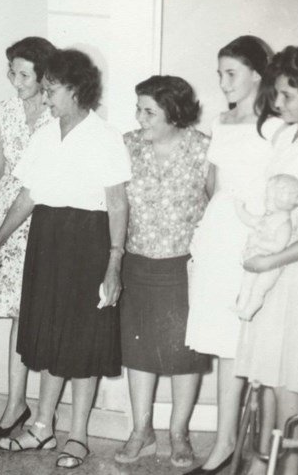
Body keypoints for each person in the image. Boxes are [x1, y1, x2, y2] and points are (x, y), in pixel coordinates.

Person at [0, 49, 129, 469]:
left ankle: (78, 435)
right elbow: (28, 194)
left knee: (83, 340)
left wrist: (114, 263)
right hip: (47, 238)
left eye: (51, 90)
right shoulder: (46, 134)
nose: (45, 97)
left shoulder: (105, 136)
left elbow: (117, 204)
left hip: (90, 241)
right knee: (50, 336)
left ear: (76, 89)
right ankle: (43, 426)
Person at [184, 35, 281, 475]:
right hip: (219, 238)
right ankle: (223, 445)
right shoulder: (222, 122)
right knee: (225, 346)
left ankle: (256, 451)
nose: (223, 82)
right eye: (220, 73)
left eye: (231, 74)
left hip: (254, 241)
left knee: (251, 346)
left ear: (257, 75)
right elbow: (212, 184)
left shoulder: (277, 126)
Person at [114, 75, 211, 468]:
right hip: (138, 261)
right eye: (138, 109)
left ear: (173, 112)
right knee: (138, 351)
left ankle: (179, 434)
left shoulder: (202, 149)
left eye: (148, 111)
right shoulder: (128, 145)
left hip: (185, 265)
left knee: (184, 354)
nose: (139, 118)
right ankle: (142, 431)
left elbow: (216, 204)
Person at [236, 45, 298, 475]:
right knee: (266, 377)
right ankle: (266, 465)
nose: (278, 103)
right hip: (273, 265)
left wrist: (273, 261)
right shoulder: (286, 135)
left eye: (288, 94)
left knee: (288, 381)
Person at [0, 36, 57, 439]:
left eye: (24, 74)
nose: (16, 81)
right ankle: (15, 402)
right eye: (12, 72)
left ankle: (43, 411)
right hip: (9, 222)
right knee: (16, 311)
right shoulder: (5, 110)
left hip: (46, 218)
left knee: (43, 314)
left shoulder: (58, 111)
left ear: (44, 75)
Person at [235, 174, 298, 321]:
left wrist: (258, 243)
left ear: (281, 201)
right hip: (256, 256)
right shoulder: (268, 216)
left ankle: (248, 312)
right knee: (246, 283)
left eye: (268, 198)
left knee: (259, 289)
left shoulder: (284, 224)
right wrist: (239, 208)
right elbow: (250, 220)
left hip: (271, 264)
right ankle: (240, 307)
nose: (265, 200)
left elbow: (278, 247)